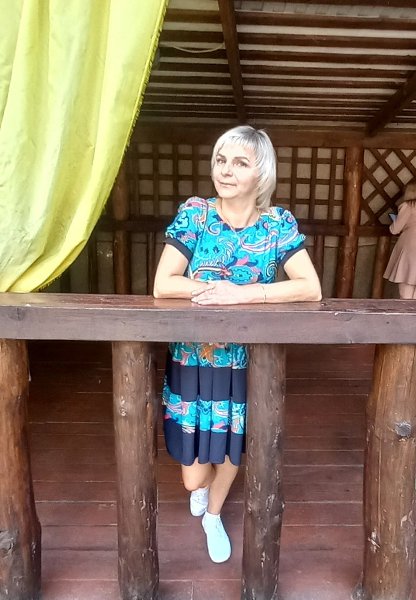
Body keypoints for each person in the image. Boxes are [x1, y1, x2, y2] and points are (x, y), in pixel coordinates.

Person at [153, 125, 322, 563]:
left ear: (260, 174)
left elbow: (310, 287)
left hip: (244, 362)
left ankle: (213, 515)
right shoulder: (196, 215)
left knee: (231, 446)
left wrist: (243, 293)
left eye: (240, 163)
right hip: (191, 358)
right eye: (221, 160)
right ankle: (202, 490)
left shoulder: (277, 224)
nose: (225, 171)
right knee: (192, 476)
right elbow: (163, 283)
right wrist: (215, 291)